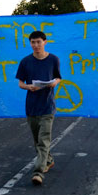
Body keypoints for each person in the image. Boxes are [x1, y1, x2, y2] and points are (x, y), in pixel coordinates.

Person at [15, 31, 62, 186]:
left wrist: (54, 83)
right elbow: (20, 83)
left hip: (47, 106)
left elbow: (58, 77)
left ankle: (38, 172)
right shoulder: (25, 61)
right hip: (32, 106)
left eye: (38, 42)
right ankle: (48, 160)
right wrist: (28, 86)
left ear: (45, 42)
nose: (36, 45)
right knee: (37, 141)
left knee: (43, 140)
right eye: (33, 42)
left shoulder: (53, 59)